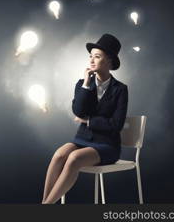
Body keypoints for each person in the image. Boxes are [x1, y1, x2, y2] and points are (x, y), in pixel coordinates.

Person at [41, 33, 128, 204]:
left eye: (97, 56)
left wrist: (89, 121)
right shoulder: (83, 83)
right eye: (90, 56)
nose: (92, 61)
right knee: (59, 155)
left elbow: (116, 124)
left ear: (109, 60)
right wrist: (87, 85)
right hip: (82, 139)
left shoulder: (121, 89)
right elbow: (79, 112)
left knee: (73, 158)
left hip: (107, 145)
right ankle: (44, 203)